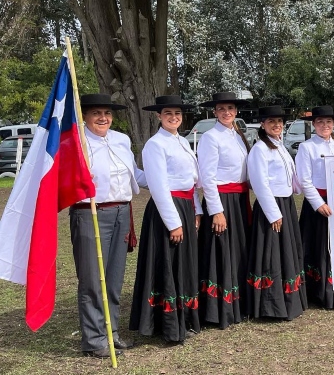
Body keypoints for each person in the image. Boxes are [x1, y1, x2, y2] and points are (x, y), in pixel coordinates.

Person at [71, 94, 146, 357]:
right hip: (90, 213)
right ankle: (94, 340)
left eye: (107, 113)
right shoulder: (76, 142)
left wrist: (164, 178)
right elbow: (62, 176)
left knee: (113, 278)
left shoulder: (121, 140)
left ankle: (111, 333)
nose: (103, 118)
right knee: (93, 279)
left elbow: (134, 174)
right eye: (96, 113)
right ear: (85, 117)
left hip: (121, 212)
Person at [130, 95, 203, 343]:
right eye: (168, 113)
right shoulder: (154, 145)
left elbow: (191, 182)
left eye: (178, 114)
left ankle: (185, 317)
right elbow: (159, 186)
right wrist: (174, 223)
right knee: (167, 264)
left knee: (184, 264)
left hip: (185, 204)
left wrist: (196, 210)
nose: (174, 117)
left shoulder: (181, 141)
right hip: (167, 210)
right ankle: (167, 324)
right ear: (159, 116)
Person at [195, 92, 252, 328]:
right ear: (215, 112)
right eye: (221, 109)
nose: (226, 112)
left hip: (239, 199)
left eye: (230, 108)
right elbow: (207, 178)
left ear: (236, 111)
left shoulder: (237, 134)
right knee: (221, 252)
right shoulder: (210, 137)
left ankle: (238, 303)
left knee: (238, 250)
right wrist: (216, 211)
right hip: (221, 199)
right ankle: (219, 309)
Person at [246, 105, 307, 320]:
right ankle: (271, 305)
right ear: (263, 124)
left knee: (286, 252)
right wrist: (273, 214)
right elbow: (260, 184)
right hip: (271, 206)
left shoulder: (279, 146)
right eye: (271, 121)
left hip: (286, 203)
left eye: (279, 121)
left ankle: (290, 300)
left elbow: (292, 176)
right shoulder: (260, 149)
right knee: (271, 254)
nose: (277, 125)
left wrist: (299, 189)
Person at [295, 106, 334, 309]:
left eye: (328, 122)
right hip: (319, 203)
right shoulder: (306, 147)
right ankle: (318, 292)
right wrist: (319, 204)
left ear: (333, 124)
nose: (324, 126)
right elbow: (304, 180)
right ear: (314, 125)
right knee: (317, 247)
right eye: (320, 122)